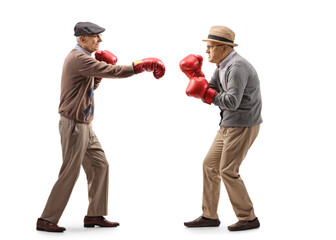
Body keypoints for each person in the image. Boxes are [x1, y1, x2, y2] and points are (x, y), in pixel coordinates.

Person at [36, 22, 165, 232]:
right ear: (82, 39)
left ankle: (94, 214)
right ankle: (46, 219)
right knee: (70, 172)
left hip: (86, 124)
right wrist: (141, 65)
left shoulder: (85, 60)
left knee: (100, 165)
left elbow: (91, 85)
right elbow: (113, 71)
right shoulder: (78, 58)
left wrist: (97, 78)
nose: (100, 40)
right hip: (73, 125)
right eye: (96, 36)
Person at [180, 26, 262, 231]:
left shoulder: (237, 67)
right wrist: (196, 77)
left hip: (242, 124)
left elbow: (231, 101)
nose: (206, 51)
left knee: (228, 170)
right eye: (206, 47)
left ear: (224, 48)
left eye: (210, 47)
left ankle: (248, 218)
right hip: (227, 124)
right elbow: (213, 89)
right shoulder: (222, 66)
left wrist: (206, 94)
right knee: (209, 165)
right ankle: (209, 215)